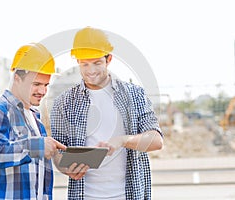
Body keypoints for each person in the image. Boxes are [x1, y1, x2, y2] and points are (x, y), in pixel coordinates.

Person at [50, 26, 163, 200]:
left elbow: (156, 141)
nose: (91, 71)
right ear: (77, 62)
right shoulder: (63, 103)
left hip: (129, 195)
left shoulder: (135, 95)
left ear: (108, 59)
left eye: (97, 63)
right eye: (84, 64)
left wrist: (122, 140)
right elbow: (58, 152)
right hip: (85, 195)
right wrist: (64, 167)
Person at [0, 43, 66, 200]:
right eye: (36, 84)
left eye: (46, 85)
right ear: (17, 78)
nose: (43, 91)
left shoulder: (35, 119)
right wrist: (35, 147)